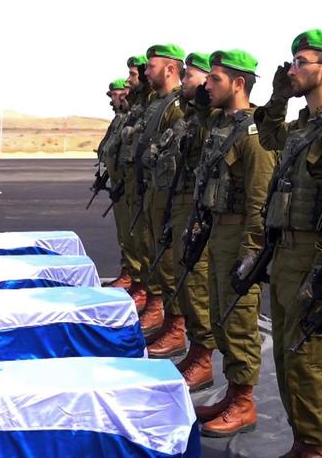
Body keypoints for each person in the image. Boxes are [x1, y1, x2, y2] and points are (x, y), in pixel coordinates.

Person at [254, 29, 322, 458]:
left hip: (317, 260)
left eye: (302, 62)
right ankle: (303, 443)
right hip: (286, 254)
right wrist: (278, 97)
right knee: (287, 357)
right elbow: (266, 140)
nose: (293, 69)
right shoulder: (303, 126)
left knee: (312, 360)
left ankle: (314, 449)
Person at [192, 50, 276, 437]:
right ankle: (233, 392)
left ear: (238, 84)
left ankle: (244, 402)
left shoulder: (253, 134)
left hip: (240, 235)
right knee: (220, 314)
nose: (207, 85)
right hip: (217, 230)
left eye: (216, 79)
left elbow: (260, 199)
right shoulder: (222, 125)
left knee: (239, 319)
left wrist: (251, 252)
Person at [145, 52, 216, 390]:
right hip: (177, 197)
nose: (185, 80)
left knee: (195, 282)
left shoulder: (213, 118)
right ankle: (186, 340)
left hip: (197, 205)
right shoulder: (189, 114)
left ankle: (202, 356)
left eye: (192, 75)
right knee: (180, 274)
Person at [136, 44, 185, 340]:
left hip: (168, 194)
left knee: (168, 262)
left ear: (169, 69)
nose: (145, 72)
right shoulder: (159, 103)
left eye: (151, 66)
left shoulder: (176, 107)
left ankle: (175, 326)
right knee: (153, 253)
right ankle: (158, 310)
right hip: (154, 189)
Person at [112, 55, 151, 312]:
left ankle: (149, 295)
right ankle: (135, 281)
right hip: (128, 185)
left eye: (133, 75)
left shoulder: (163, 108)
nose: (128, 82)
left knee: (148, 246)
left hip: (149, 189)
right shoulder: (142, 109)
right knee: (131, 238)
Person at [98, 79, 131, 289]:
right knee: (125, 235)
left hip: (130, 186)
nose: (114, 100)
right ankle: (128, 273)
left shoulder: (130, 118)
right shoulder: (118, 120)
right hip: (119, 185)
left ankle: (135, 279)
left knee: (134, 236)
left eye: (117, 94)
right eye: (112, 95)